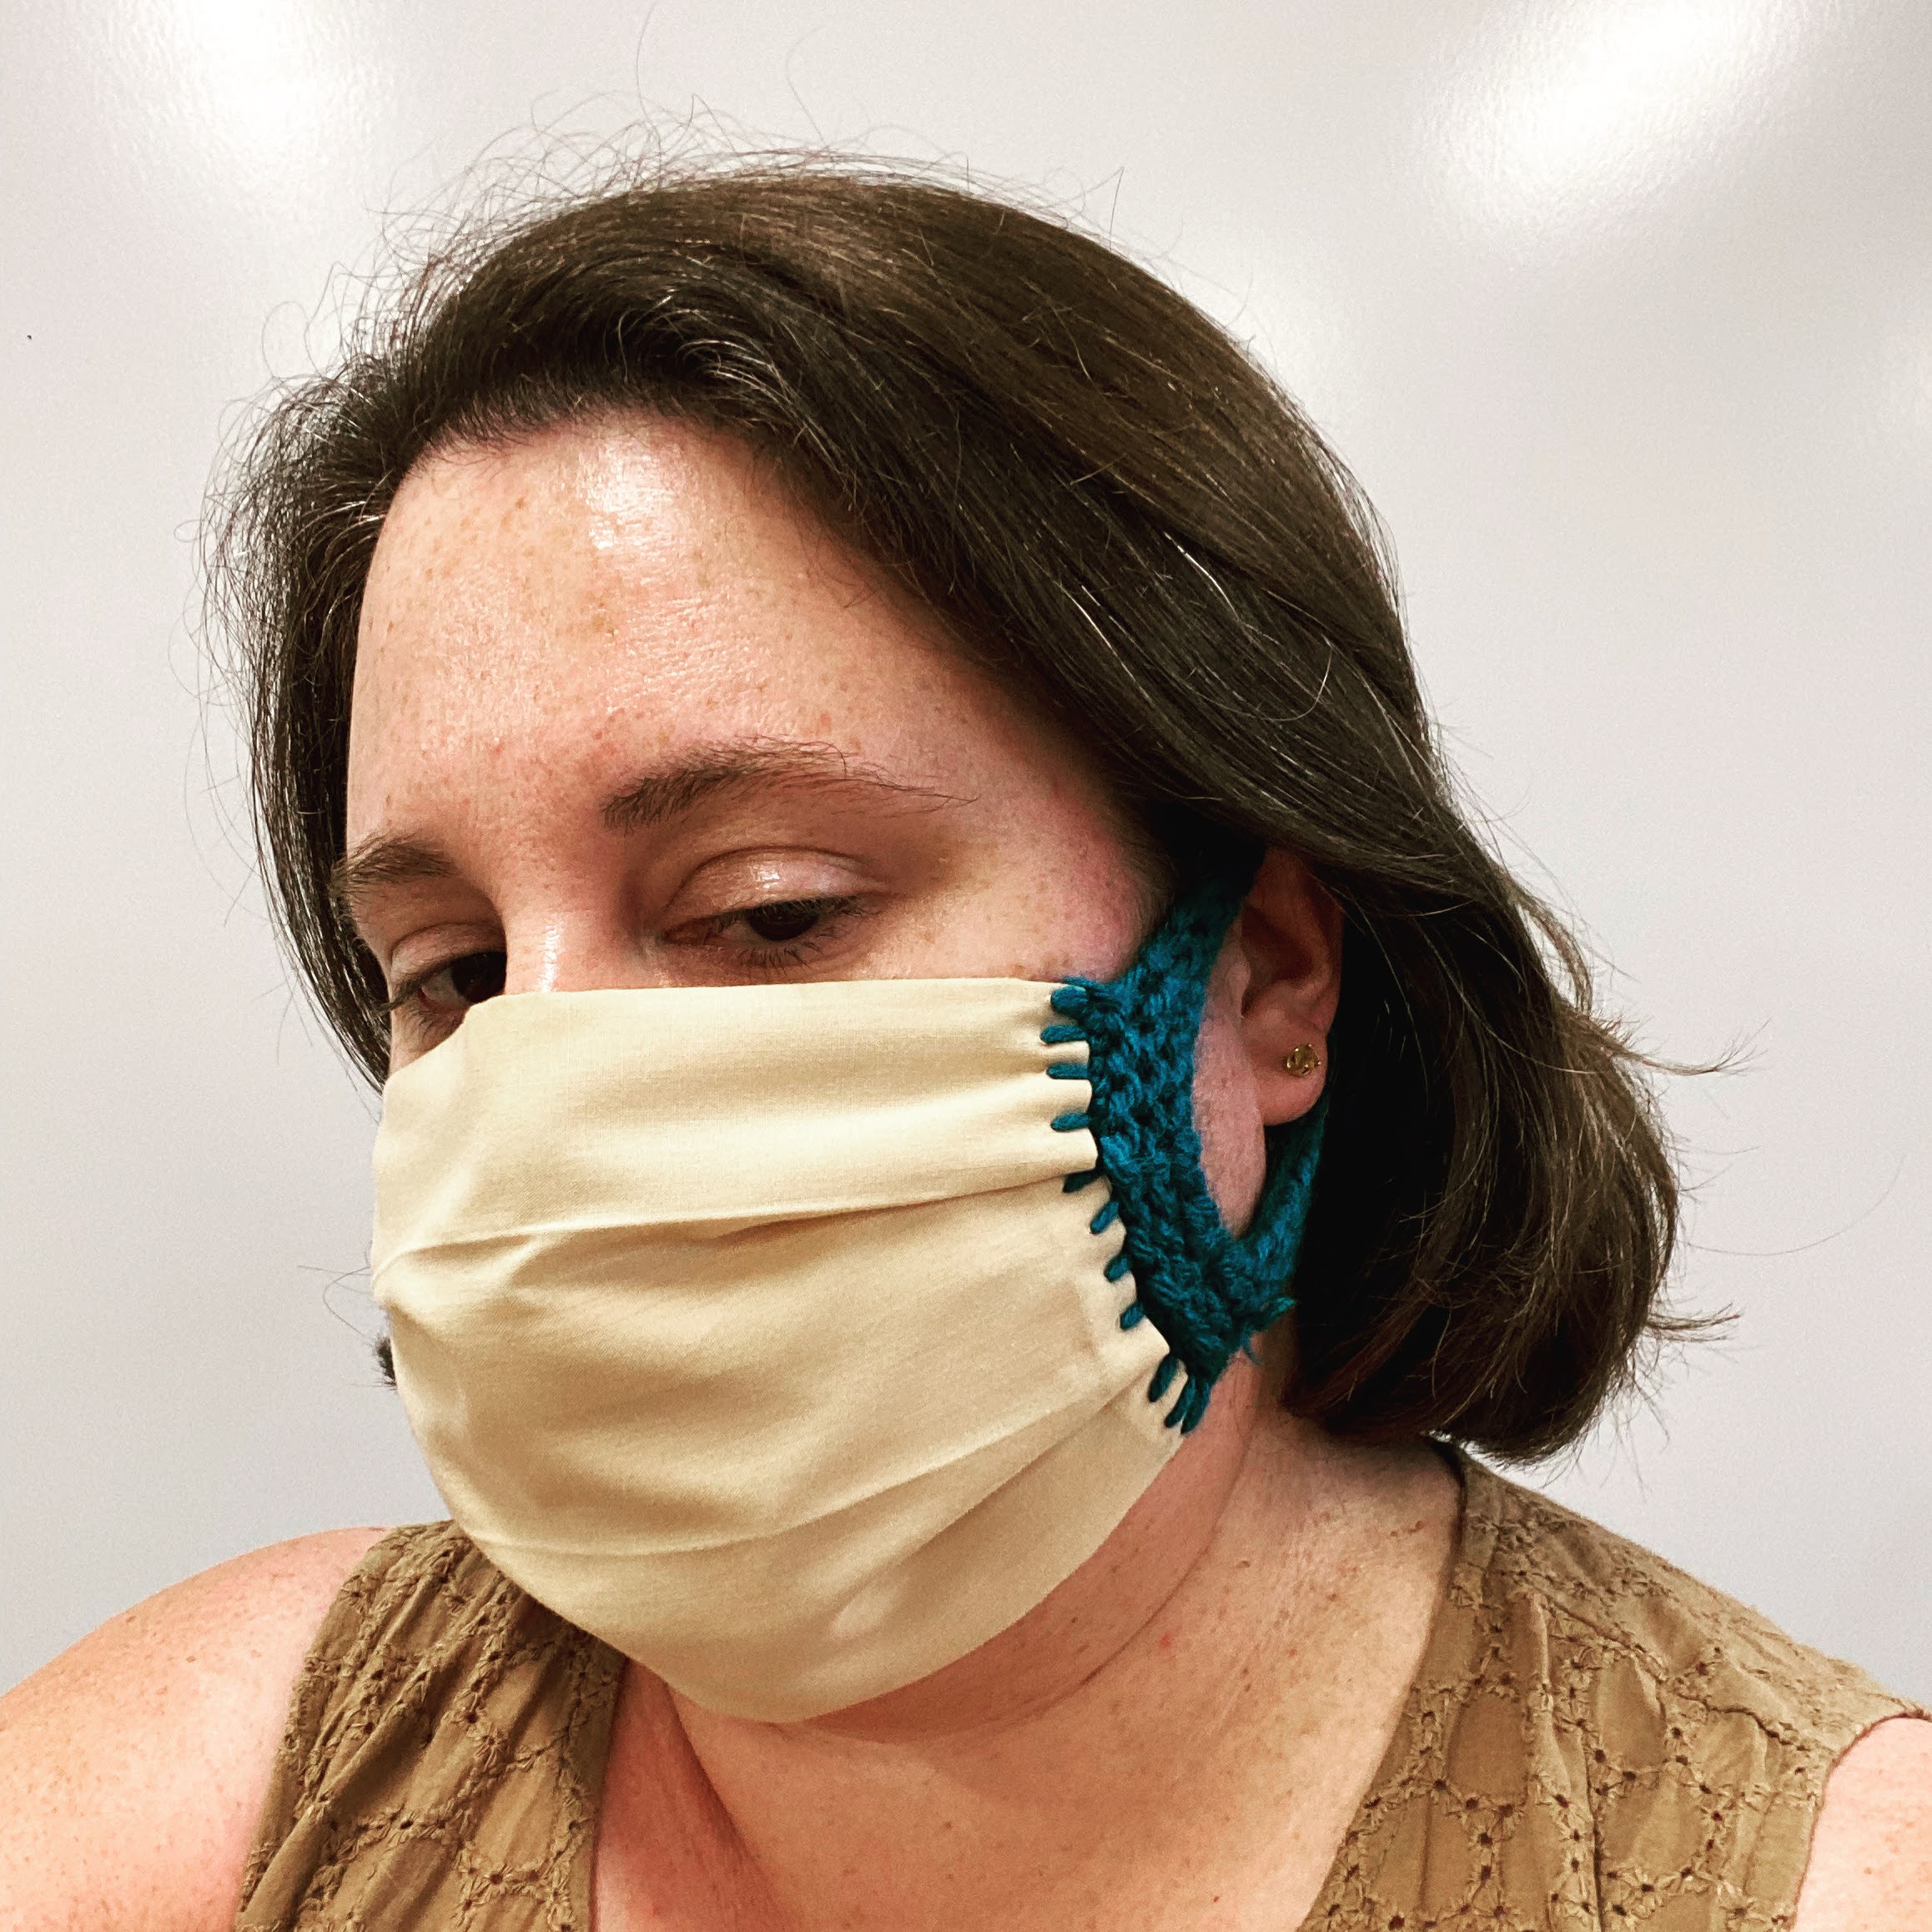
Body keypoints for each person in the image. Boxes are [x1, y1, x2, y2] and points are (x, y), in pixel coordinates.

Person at [2, 159, 1924, 1931]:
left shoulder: (1797, 1879)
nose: (542, 1094)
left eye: (769, 910)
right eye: (452, 972)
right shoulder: (216, 1807)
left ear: (1266, 979)